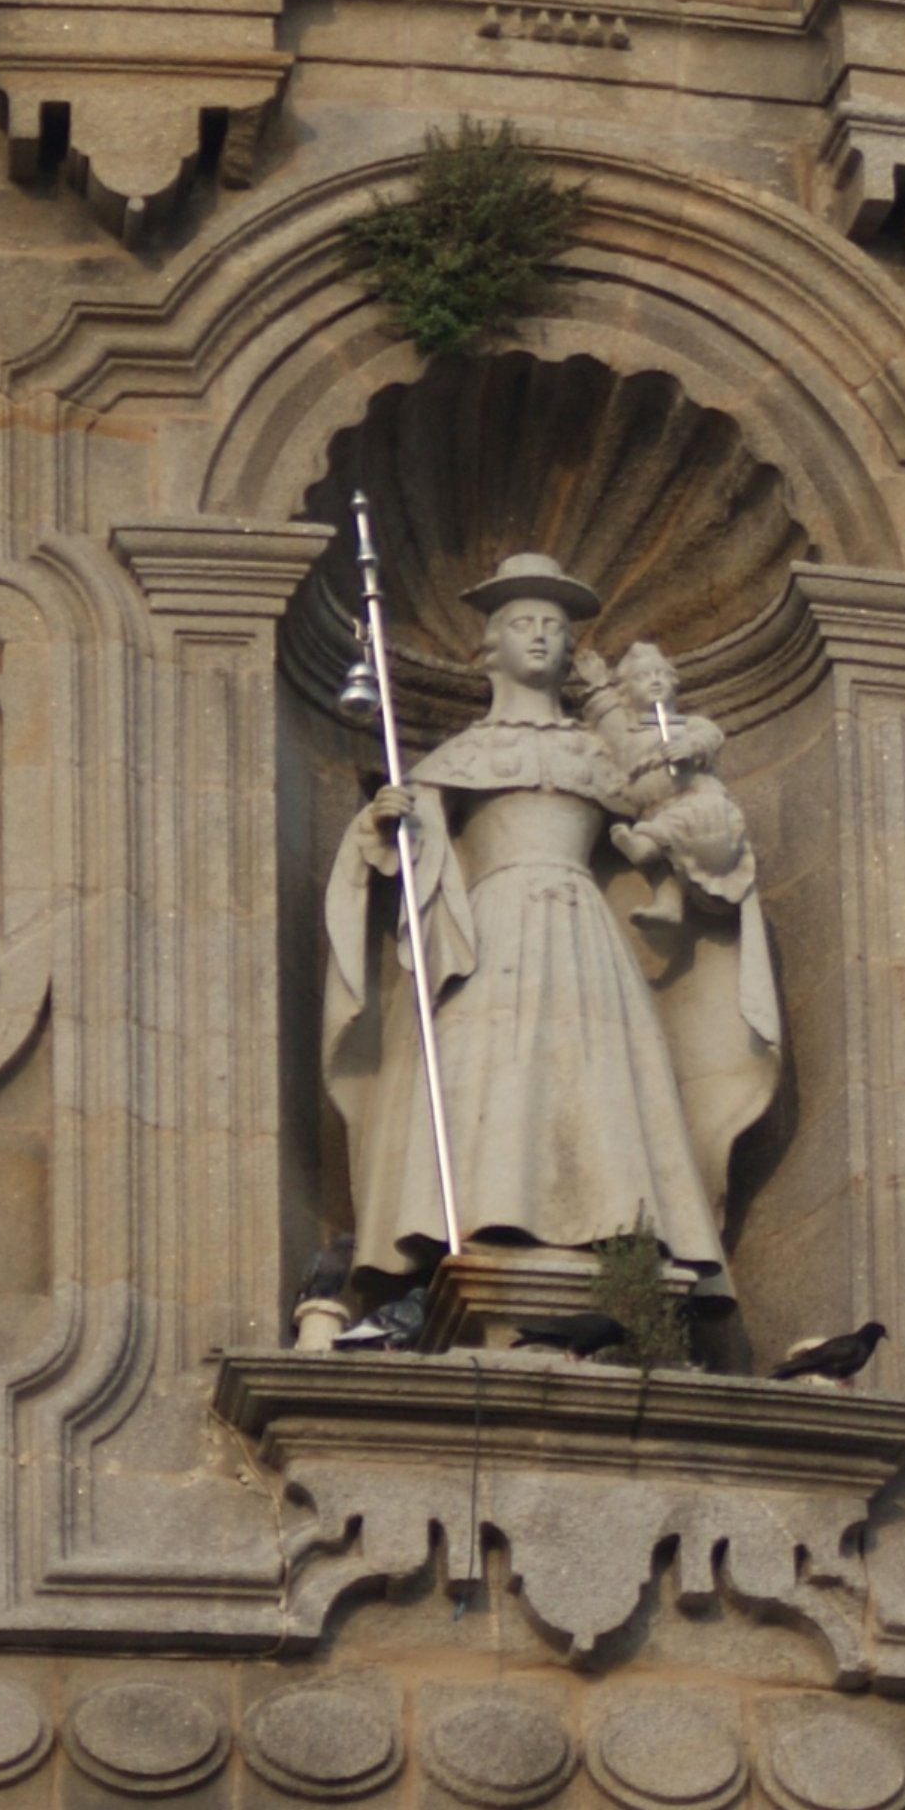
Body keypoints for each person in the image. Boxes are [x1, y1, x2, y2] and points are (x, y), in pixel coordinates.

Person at [320, 550, 780, 1290]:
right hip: (491, 933)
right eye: (522, 623)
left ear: (571, 651)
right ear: (490, 647)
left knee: (590, 1066)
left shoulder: (600, 753)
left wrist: (698, 815)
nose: (540, 636)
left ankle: (620, 1233)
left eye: (554, 627)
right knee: (490, 1065)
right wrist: (385, 825)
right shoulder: (458, 756)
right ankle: (477, 1217)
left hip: (583, 933)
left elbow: (687, 824)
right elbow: (410, 859)